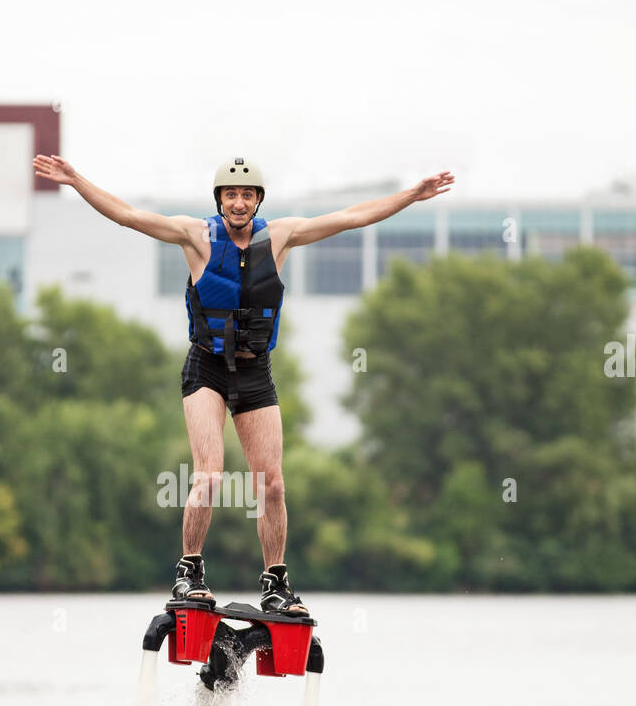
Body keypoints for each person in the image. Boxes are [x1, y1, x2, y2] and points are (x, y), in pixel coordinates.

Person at [32, 152, 454, 615]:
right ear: (220, 200)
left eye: (247, 194)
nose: (238, 202)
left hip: (255, 371)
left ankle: (275, 581)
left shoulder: (281, 237)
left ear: (257, 200)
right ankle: (189, 572)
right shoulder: (194, 236)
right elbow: (129, 216)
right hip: (206, 367)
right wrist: (75, 180)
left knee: (272, 484)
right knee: (209, 474)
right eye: (231, 194)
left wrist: (413, 194)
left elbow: (351, 217)